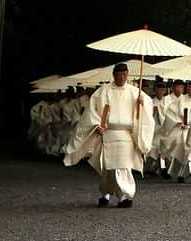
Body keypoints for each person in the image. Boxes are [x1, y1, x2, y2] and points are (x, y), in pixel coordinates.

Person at [63, 63, 153, 208]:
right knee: (108, 168)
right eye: (120, 74)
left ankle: (125, 196)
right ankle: (105, 193)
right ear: (114, 75)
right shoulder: (103, 92)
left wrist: (143, 104)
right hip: (108, 133)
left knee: (123, 166)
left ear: (128, 74)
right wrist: (97, 125)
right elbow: (91, 112)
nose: (123, 77)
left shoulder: (135, 92)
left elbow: (147, 111)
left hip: (125, 135)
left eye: (125, 74)